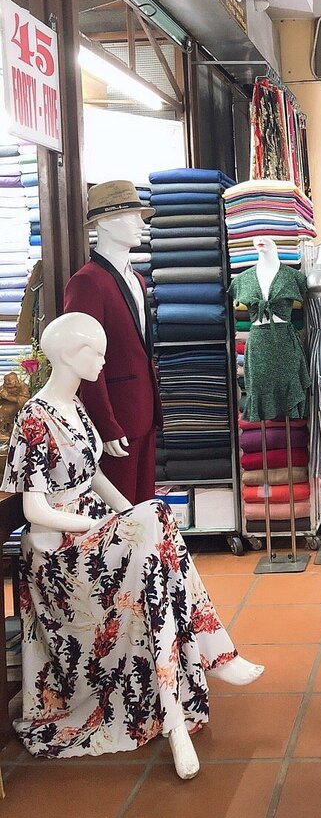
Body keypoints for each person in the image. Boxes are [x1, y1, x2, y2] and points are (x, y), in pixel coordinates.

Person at [2, 312, 263, 779]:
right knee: (156, 522)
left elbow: (95, 475)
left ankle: (174, 716)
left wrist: (129, 515)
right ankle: (210, 661)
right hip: (59, 554)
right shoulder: (34, 418)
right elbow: (33, 511)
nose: (104, 361)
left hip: (93, 533)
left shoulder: (76, 408)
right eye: (94, 352)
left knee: (156, 545)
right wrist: (100, 524)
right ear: (65, 354)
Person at [64, 180, 161, 504]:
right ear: (104, 221)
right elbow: (82, 359)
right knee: (118, 516)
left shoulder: (137, 279)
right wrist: (104, 424)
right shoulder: (87, 282)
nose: (140, 223)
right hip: (116, 416)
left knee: (142, 508)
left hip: (143, 409)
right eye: (130, 215)